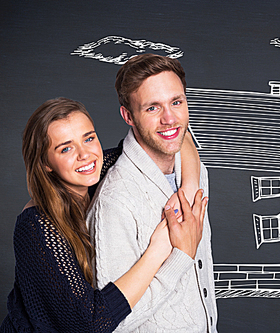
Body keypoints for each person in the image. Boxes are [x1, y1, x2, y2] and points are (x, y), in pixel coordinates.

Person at [0, 97, 206, 332]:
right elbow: (90, 324)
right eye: (66, 148)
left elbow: (178, 138)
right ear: (46, 163)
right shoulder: (37, 228)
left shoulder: (100, 171)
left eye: (88, 138)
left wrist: (187, 191)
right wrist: (160, 251)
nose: (84, 154)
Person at [87, 54, 218, 332]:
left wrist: (190, 184)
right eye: (152, 108)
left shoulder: (194, 171)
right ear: (128, 116)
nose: (169, 118)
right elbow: (113, 323)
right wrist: (180, 256)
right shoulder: (116, 200)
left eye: (176, 102)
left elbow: (182, 134)